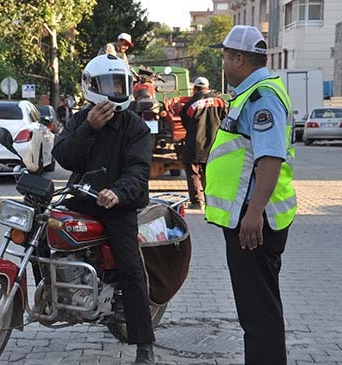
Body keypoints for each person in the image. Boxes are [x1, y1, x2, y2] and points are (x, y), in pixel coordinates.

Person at [52, 54, 156, 364]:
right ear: (91, 87)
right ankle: (57, 295)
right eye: (107, 84)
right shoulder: (80, 119)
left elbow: (138, 169)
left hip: (117, 205)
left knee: (131, 268)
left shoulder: (135, 126)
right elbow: (64, 157)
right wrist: (89, 128)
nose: (113, 91)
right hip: (82, 197)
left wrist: (118, 192)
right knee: (44, 232)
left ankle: (144, 344)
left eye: (117, 83)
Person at [206, 25, 297, 364]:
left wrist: (254, 213)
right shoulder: (253, 93)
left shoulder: (262, 97)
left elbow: (270, 158)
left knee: (258, 315)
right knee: (259, 311)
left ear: (239, 59)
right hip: (252, 218)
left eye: (226, 57)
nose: (224, 64)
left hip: (256, 223)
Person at [179, 76, 227, 209]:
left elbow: (185, 122)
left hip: (195, 144)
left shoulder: (190, 104)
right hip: (215, 143)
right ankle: (212, 201)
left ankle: (197, 202)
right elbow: (226, 118)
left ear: (194, 89)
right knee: (211, 172)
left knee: (194, 172)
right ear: (207, 87)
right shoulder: (220, 101)